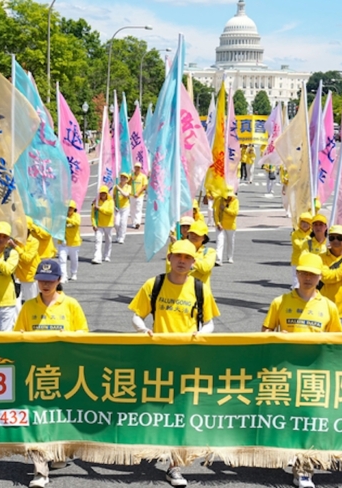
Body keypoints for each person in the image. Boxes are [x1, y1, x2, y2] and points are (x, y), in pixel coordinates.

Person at [129, 239, 220, 487]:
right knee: (157, 409)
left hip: (188, 361)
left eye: (187, 258)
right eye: (178, 256)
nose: (182, 261)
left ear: (193, 262)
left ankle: (175, 466)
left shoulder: (200, 288)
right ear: (169, 258)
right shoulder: (154, 284)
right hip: (158, 360)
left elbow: (210, 322)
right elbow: (137, 315)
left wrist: (202, 335)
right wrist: (143, 329)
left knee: (182, 413)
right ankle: (154, 449)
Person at [263, 253, 342, 488]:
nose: (308, 277)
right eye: (304, 272)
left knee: (309, 421)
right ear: (297, 273)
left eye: (313, 274)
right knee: (289, 421)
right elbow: (264, 333)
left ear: (320, 277)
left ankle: (304, 470)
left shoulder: (329, 307)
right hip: (285, 374)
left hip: (315, 375)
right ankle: (289, 457)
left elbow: (337, 341)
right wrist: (278, 336)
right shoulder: (280, 302)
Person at [14, 259, 87, 487]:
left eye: (50, 280)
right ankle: (40, 472)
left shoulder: (71, 305)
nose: (45, 284)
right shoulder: (28, 307)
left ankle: (59, 454)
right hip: (36, 374)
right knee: (37, 421)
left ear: (59, 280)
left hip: (65, 374)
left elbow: (83, 334)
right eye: (41, 280)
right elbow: (19, 337)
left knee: (61, 418)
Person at [14, 219, 42, 307]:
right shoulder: (14, 241)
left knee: (32, 302)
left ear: (28, 230)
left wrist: (15, 247)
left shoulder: (34, 242)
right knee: (15, 304)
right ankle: (18, 320)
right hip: (16, 276)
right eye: (18, 229)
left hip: (29, 277)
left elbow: (27, 259)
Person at [213, 187, 239, 265]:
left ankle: (230, 256)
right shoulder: (219, 200)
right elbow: (215, 213)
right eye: (226, 196)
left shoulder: (235, 201)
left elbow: (235, 213)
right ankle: (218, 259)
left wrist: (225, 209)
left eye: (229, 196)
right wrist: (218, 223)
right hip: (220, 225)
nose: (227, 198)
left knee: (230, 242)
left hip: (231, 226)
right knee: (219, 242)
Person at [58, 200, 82, 282]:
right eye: (67, 208)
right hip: (63, 242)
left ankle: (74, 273)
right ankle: (63, 276)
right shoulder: (61, 217)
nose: (69, 210)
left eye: (71, 208)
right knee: (62, 259)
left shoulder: (77, 216)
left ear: (74, 209)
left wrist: (66, 219)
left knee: (74, 259)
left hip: (74, 242)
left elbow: (76, 223)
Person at [91, 185, 114, 264]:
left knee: (108, 240)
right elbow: (93, 214)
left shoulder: (110, 201)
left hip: (108, 224)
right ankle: (97, 257)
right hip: (99, 224)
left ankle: (107, 255)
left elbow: (109, 212)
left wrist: (100, 208)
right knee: (98, 240)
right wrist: (94, 224)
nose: (103, 195)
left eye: (104, 193)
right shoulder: (96, 202)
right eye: (101, 193)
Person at [290, 212, 313, 288]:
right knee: (296, 276)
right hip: (297, 259)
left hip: (308, 260)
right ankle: (295, 289)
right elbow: (298, 245)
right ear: (300, 222)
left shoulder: (312, 234)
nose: (305, 224)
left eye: (307, 222)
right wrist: (307, 241)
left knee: (307, 275)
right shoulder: (295, 234)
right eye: (303, 222)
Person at [114, 172, 131, 244]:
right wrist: (114, 206)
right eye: (121, 177)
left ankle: (121, 237)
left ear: (127, 180)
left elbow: (126, 195)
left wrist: (120, 189)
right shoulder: (116, 186)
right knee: (116, 224)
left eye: (124, 177)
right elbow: (114, 197)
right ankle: (118, 234)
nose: (122, 178)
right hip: (117, 207)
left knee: (123, 222)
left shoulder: (128, 187)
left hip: (125, 207)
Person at [129, 162, 147, 228]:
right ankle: (134, 222)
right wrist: (131, 178)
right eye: (136, 167)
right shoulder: (131, 175)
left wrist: (138, 193)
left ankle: (138, 222)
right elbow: (128, 184)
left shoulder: (143, 176)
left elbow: (144, 186)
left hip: (140, 196)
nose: (137, 169)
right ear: (134, 168)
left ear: (140, 168)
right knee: (132, 209)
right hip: (131, 195)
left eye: (138, 167)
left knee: (138, 209)